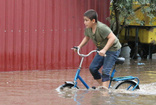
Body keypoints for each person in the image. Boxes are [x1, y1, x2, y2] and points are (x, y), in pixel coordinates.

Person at [74, 9, 121, 89]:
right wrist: (79, 46)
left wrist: (104, 50)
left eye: (86, 20)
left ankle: (105, 95)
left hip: (113, 49)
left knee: (105, 71)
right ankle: (104, 87)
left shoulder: (101, 28)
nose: (84, 22)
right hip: (101, 49)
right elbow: (87, 37)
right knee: (93, 68)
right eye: (84, 20)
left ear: (93, 20)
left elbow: (112, 38)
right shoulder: (88, 28)